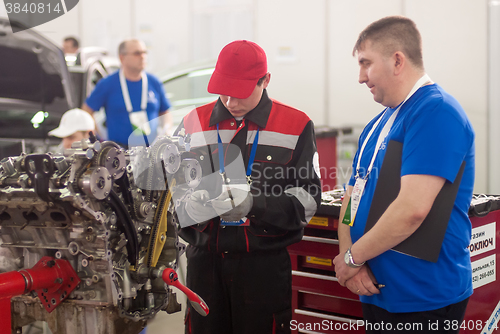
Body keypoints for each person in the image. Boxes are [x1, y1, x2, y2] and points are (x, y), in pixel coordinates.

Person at [332, 16, 475, 333]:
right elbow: (351, 196)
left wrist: (352, 259)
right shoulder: (376, 125)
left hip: (424, 298)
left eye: (366, 63)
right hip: (377, 291)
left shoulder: (436, 112)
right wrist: (348, 257)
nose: (360, 77)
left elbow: (413, 209)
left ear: (397, 60)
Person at [174, 40, 321, 334]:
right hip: (205, 266)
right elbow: (174, 190)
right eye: (223, 91)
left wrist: (256, 203)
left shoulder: (295, 125)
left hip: (262, 269)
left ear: (265, 81)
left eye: (239, 92)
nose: (230, 101)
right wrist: (187, 205)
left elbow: (309, 200)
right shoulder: (193, 122)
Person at [82, 39, 171, 148]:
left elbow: (165, 112)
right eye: (137, 53)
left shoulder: (154, 82)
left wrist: (167, 130)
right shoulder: (108, 84)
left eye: (144, 52)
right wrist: (98, 138)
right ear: (122, 58)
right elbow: (86, 111)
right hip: (120, 154)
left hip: (151, 151)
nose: (143, 57)